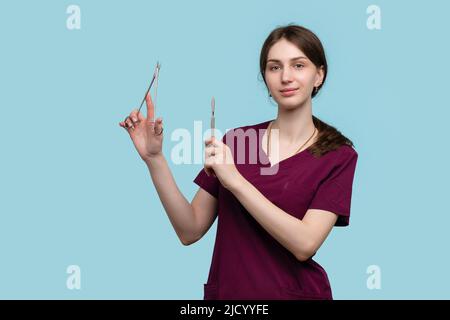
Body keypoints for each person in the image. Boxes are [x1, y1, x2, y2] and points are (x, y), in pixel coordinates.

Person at [119, 24, 358, 300]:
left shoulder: (338, 156)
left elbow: (305, 244)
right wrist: (154, 158)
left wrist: (235, 181)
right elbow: (190, 229)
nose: (286, 77)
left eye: (299, 65)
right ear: (266, 77)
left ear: (319, 75)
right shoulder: (237, 141)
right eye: (274, 67)